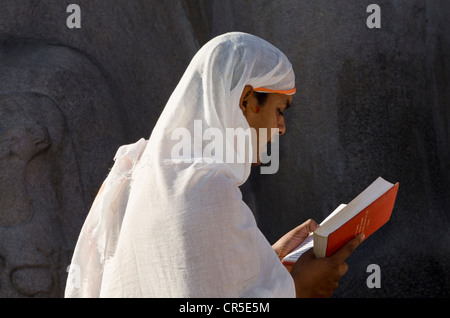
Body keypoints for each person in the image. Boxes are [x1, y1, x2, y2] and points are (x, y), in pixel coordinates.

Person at [65, 32, 363, 298]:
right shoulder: (203, 186)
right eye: (279, 110)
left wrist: (270, 259)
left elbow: (186, 280)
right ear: (246, 100)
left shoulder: (141, 170)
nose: (282, 127)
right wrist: (299, 288)